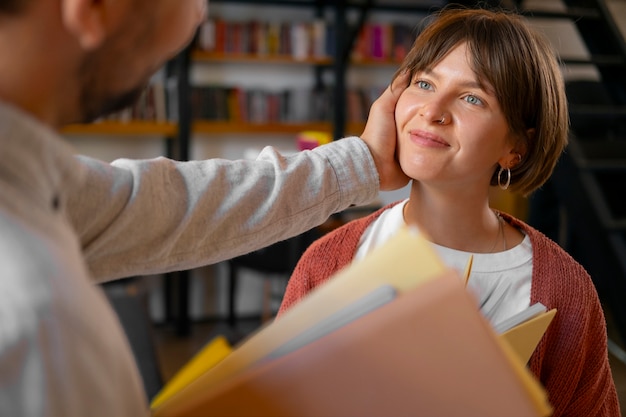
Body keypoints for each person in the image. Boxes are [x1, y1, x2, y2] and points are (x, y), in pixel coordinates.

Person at [0, 1, 410, 416]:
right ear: (92, 8)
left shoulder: (29, 188)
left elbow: (160, 203)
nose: (198, 16)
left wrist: (366, 162)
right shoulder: (36, 320)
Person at [277, 7, 620, 417]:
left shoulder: (566, 291)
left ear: (516, 148)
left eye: (472, 97)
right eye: (423, 83)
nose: (433, 110)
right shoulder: (327, 263)